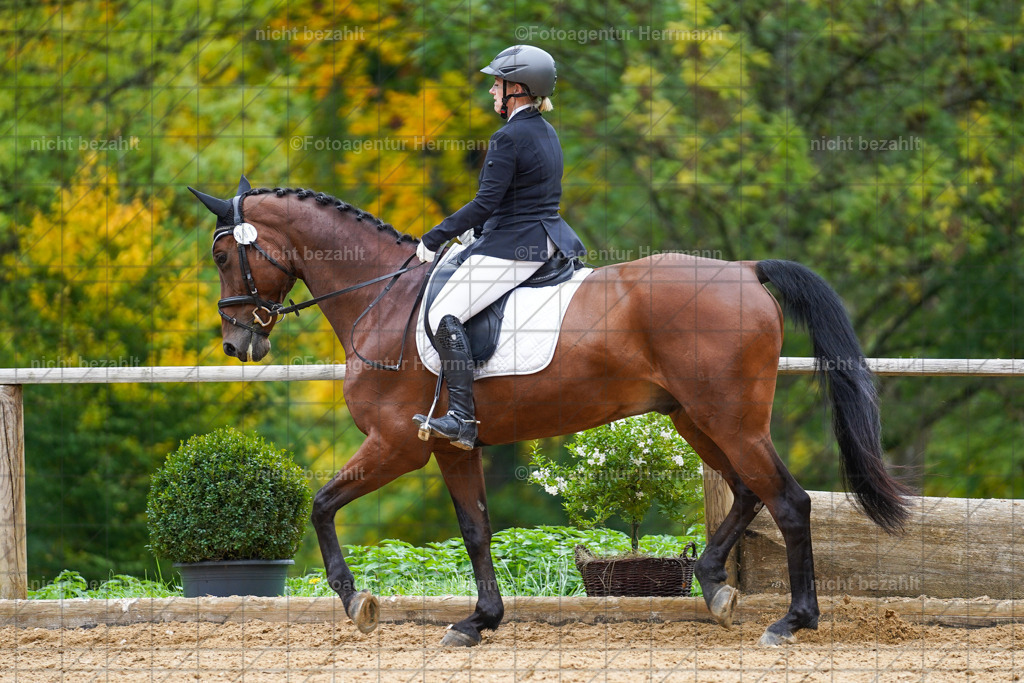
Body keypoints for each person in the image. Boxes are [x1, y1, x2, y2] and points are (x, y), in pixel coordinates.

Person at [412, 44, 587, 450]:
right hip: (545, 237)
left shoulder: (508, 136)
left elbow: (485, 202)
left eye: (497, 84)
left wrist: (435, 236)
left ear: (517, 89)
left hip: (516, 247)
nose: (492, 91)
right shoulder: (546, 131)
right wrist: (479, 233)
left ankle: (461, 418)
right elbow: (520, 198)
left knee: (444, 313)